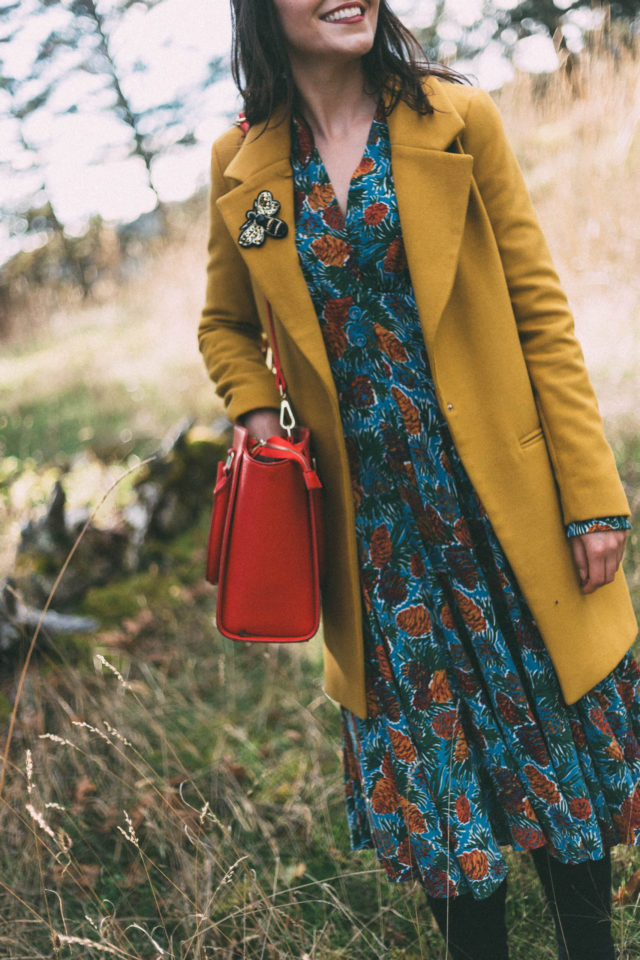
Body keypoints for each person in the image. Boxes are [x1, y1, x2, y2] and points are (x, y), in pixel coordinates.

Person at [198, 2, 640, 957]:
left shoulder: (455, 116)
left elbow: (539, 309)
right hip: (374, 543)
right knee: (443, 794)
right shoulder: (242, 162)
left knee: (552, 745)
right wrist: (254, 413)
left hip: (502, 509)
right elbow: (223, 326)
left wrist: (592, 494)